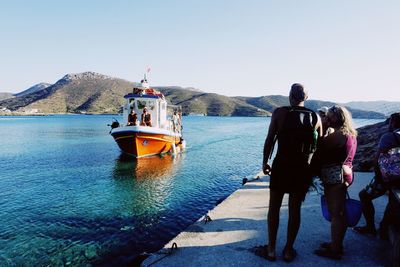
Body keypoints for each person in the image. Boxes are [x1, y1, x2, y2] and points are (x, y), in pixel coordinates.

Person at [257, 83, 322, 262]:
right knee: (295, 210)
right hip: (302, 169)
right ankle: (287, 250)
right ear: (306, 98)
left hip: (281, 166)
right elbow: (318, 147)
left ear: (289, 96)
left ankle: (271, 249)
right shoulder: (315, 117)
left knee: (274, 208)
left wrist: (265, 162)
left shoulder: (280, 113)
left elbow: (270, 140)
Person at [312, 105, 358, 260]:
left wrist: (322, 126)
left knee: (336, 213)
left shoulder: (338, 135)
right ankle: (336, 244)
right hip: (345, 174)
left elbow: (318, 147)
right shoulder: (350, 134)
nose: (327, 118)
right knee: (340, 212)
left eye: (329, 116)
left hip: (335, 176)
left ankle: (335, 250)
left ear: (336, 118)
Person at [354, 112, 400, 239]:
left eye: (390, 121)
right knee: (392, 200)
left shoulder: (389, 137)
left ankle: (370, 227)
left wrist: (378, 177)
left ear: (394, 122)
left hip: (388, 177)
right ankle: (384, 228)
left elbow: (378, 159)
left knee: (364, 196)